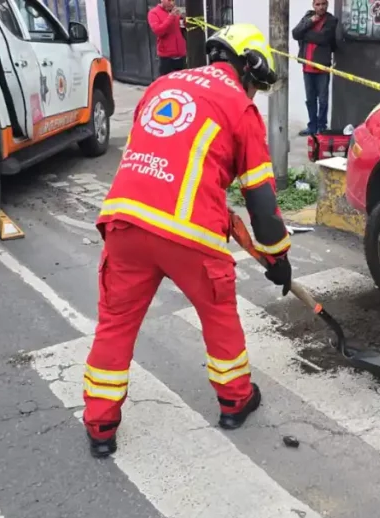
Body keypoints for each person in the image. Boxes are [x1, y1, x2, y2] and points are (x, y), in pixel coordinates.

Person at [82, 23, 292, 458]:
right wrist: (278, 257)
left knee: (115, 324)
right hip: (189, 234)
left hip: (125, 220)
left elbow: (164, 153)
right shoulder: (239, 107)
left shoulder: (163, 83)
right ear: (248, 68)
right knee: (218, 314)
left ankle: (100, 426)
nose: (254, 93)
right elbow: (262, 200)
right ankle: (235, 401)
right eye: (256, 85)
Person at [292, 0, 340, 136]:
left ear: (327, 4)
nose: (321, 7)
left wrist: (305, 34)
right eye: (318, 4)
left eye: (323, 4)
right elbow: (295, 33)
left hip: (322, 67)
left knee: (323, 99)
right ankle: (312, 126)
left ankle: (322, 127)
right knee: (310, 99)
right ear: (313, 5)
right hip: (307, 66)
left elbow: (324, 38)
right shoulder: (308, 16)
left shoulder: (331, 20)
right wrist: (310, 22)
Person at [148, 0, 187, 76]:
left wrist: (185, 20)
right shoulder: (153, 13)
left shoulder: (175, 12)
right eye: (169, 0)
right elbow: (158, 31)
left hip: (181, 55)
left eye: (173, 0)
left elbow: (182, 29)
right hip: (166, 57)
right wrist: (171, 17)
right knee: (167, 83)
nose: (172, 3)